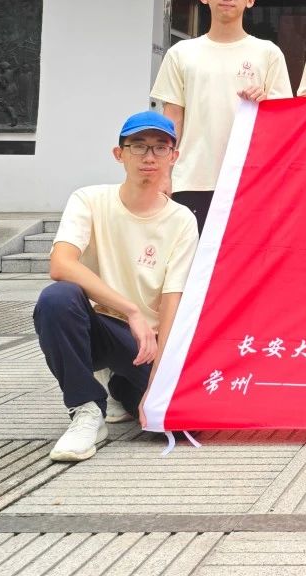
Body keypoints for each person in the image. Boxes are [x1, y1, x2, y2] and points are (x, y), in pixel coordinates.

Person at [33, 111, 198, 462]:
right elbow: (61, 264)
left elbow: (173, 300)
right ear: (119, 154)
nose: (149, 156)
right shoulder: (89, 200)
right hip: (94, 326)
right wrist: (131, 310)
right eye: (138, 146)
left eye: (160, 147)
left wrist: (159, 381)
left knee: (180, 426)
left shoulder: (182, 220)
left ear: (174, 156)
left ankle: (121, 386)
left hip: (145, 342)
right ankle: (86, 409)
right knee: (57, 299)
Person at [151, 0, 291, 231]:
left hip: (250, 179)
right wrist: (163, 173)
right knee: (190, 256)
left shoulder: (268, 53)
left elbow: (284, 122)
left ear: (250, 0)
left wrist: (265, 102)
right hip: (192, 178)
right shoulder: (181, 53)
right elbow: (172, 119)